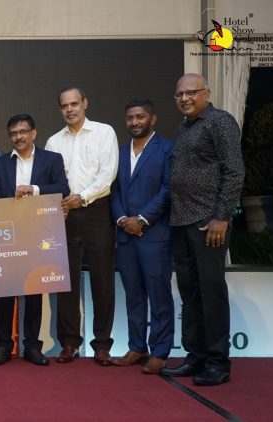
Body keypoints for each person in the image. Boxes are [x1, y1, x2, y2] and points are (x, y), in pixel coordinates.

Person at [0, 114, 69, 366]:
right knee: (5, 293)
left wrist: (34, 189)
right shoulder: (2, 163)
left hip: (40, 236)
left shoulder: (52, 159)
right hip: (8, 236)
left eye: (23, 132)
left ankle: (33, 347)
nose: (19, 137)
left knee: (34, 292)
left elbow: (63, 189)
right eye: (14, 133)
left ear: (33, 133)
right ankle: (4, 345)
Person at [161, 74, 244, 386]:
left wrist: (221, 217)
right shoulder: (185, 127)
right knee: (190, 293)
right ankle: (195, 357)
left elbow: (234, 171)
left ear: (206, 94)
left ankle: (217, 362)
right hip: (182, 222)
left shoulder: (220, 121)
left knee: (211, 292)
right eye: (179, 94)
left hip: (209, 223)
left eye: (191, 93)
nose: (184, 98)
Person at [45, 87, 118, 366]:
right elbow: (51, 180)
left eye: (74, 103)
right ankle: (69, 343)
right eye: (65, 105)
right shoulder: (53, 141)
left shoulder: (104, 132)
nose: (70, 109)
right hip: (64, 213)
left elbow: (107, 175)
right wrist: (61, 202)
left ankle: (102, 344)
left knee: (102, 280)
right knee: (65, 281)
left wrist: (82, 197)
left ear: (85, 103)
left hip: (96, 211)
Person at [110, 99, 174, 374]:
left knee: (159, 296)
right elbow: (112, 190)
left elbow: (168, 189)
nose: (134, 122)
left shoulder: (167, 149)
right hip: (126, 236)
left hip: (154, 235)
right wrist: (122, 219)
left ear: (153, 119)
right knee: (134, 296)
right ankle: (137, 347)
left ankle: (159, 352)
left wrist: (143, 219)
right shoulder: (120, 152)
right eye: (130, 118)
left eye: (140, 117)